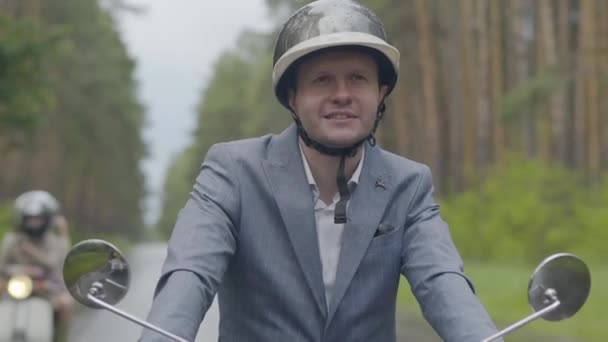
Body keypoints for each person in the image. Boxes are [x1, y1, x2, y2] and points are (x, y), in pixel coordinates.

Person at [141, 1, 499, 341]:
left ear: (380, 93)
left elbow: (442, 279)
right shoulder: (234, 172)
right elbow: (190, 270)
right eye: (322, 80)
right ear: (293, 98)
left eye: (358, 79)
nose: (342, 94)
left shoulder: (408, 184)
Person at [0, 190, 73, 342]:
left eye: (38, 219)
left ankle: (61, 338)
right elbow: (2, 266)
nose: (34, 222)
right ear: (23, 218)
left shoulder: (55, 241)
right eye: (31, 219)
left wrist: (33, 252)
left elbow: (59, 264)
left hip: (46, 290)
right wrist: (20, 270)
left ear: (47, 219)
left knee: (66, 303)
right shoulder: (11, 240)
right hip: (12, 289)